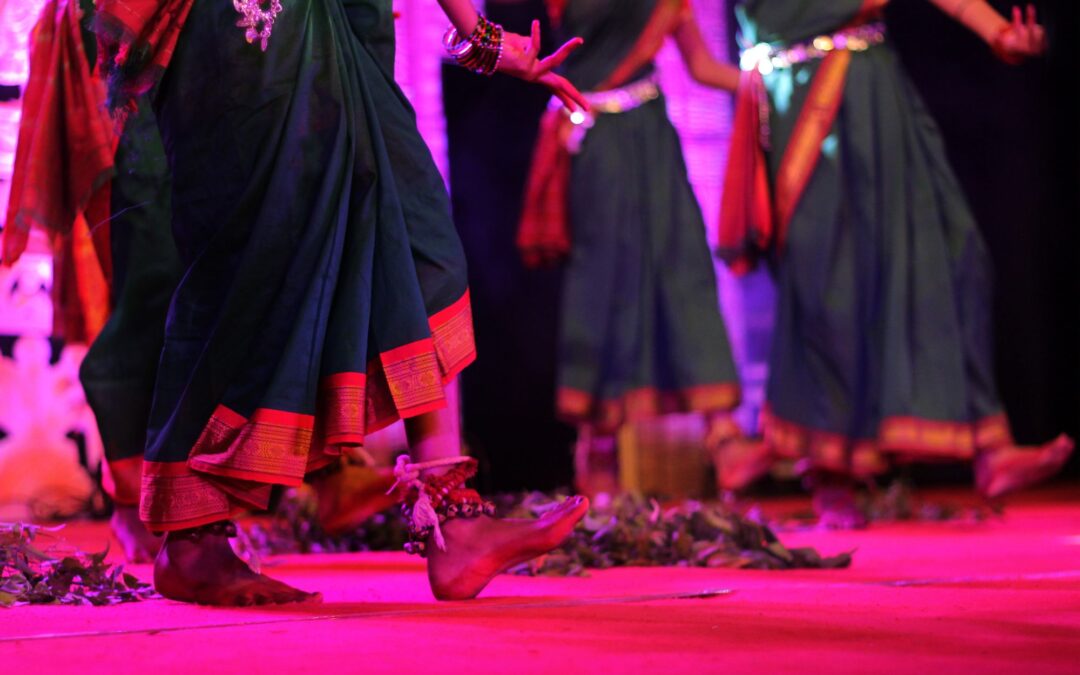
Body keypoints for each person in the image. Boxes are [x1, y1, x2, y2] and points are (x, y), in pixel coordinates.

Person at [79, 0, 594, 605]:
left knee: (416, 239)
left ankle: (453, 519)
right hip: (247, 30)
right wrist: (477, 35)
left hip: (341, 26)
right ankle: (192, 537)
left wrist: (479, 36)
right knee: (256, 255)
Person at [718, 0, 1073, 526]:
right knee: (826, 282)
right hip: (802, 97)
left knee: (953, 252)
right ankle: (829, 471)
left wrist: (999, 32)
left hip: (875, 93)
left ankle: (989, 446)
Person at [519, 0, 759, 496]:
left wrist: (766, 87)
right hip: (596, 139)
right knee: (605, 280)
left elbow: (702, 67)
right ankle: (597, 443)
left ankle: (722, 434)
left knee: (684, 262)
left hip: (652, 135)